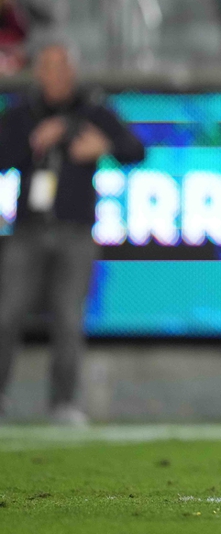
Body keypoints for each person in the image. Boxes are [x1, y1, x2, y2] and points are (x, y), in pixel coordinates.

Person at [0, 39, 145, 424]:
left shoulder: (93, 110)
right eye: (48, 68)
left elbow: (135, 150)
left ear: (72, 73)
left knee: (68, 319)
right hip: (28, 229)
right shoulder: (23, 113)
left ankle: (62, 404)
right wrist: (32, 142)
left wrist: (98, 141)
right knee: (6, 314)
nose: (55, 77)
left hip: (77, 231)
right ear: (38, 73)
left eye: (62, 68)